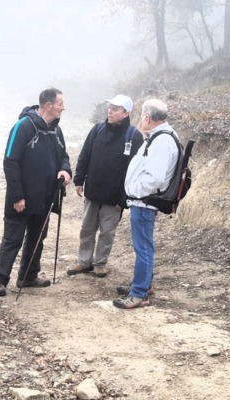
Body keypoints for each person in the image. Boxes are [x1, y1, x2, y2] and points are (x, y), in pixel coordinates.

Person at [0, 87, 72, 297]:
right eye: (60, 104)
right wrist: (17, 196)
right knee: (13, 238)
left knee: (38, 237)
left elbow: (63, 155)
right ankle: (0, 280)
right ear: (48, 105)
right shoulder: (23, 126)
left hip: (45, 197)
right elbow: (10, 162)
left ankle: (28, 277)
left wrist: (65, 169)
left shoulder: (56, 130)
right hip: (22, 198)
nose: (63, 108)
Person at [67, 95, 143, 278]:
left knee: (107, 232)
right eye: (110, 107)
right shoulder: (97, 129)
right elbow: (85, 154)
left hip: (115, 196)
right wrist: (79, 180)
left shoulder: (134, 136)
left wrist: (125, 197)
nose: (110, 111)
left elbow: (135, 170)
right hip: (93, 191)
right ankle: (84, 262)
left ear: (126, 113)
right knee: (87, 229)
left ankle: (100, 264)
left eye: (115, 109)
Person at [113, 98, 179, 309]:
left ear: (148, 118)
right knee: (144, 246)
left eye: (142, 115)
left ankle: (139, 293)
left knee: (143, 248)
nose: (141, 119)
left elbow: (155, 178)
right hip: (143, 201)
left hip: (144, 202)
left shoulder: (161, 141)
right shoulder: (162, 137)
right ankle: (143, 284)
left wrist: (133, 191)